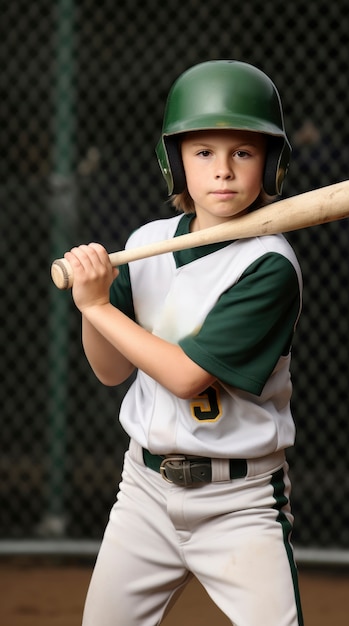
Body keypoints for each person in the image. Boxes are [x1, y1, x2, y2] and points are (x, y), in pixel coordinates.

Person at [66, 60, 304, 626]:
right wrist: (91, 300)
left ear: (270, 164)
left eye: (243, 153)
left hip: (239, 502)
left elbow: (185, 376)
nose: (222, 170)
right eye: (202, 153)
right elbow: (108, 370)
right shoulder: (147, 243)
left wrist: (98, 307)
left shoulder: (270, 264)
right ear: (174, 162)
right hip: (144, 490)